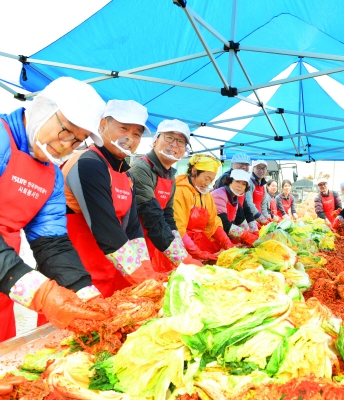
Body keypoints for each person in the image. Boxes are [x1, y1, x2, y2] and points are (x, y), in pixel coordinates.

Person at [0, 77, 109, 366]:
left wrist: (86, 294)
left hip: (1, 284)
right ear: (41, 107)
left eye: (78, 140)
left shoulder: (51, 174)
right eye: (66, 130)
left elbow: (51, 243)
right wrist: (42, 294)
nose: (67, 145)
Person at [63, 100, 155, 298]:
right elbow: (106, 227)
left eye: (136, 134)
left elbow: (132, 228)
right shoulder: (88, 163)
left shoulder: (127, 175)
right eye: (123, 128)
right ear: (103, 124)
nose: (129, 138)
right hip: (77, 274)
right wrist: (145, 281)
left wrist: (149, 273)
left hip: (111, 265)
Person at [129, 119, 199, 276]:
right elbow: (152, 216)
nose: (174, 144)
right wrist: (183, 258)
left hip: (157, 241)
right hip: (136, 244)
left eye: (181, 141)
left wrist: (179, 245)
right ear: (155, 140)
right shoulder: (141, 168)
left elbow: (167, 214)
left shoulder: (170, 175)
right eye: (169, 137)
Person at [174, 154, 234, 263]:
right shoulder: (180, 191)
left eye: (211, 180)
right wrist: (196, 252)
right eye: (206, 178)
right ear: (194, 171)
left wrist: (227, 242)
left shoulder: (206, 194)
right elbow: (178, 228)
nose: (207, 183)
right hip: (180, 246)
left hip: (199, 244)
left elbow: (213, 222)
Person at [212, 169, 259, 247]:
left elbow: (240, 219)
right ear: (230, 181)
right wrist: (246, 236)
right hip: (213, 237)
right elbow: (224, 224)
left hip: (223, 237)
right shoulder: (219, 194)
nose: (240, 186)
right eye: (237, 181)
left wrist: (253, 232)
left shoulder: (234, 198)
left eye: (244, 184)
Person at [244, 160, 272, 230]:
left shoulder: (263, 186)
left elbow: (263, 205)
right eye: (258, 168)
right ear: (253, 169)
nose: (261, 170)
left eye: (263, 168)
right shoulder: (249, 183)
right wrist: (260, 217)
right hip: (250, 219)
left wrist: (267, 218)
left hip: (259, 218)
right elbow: (249, 203)